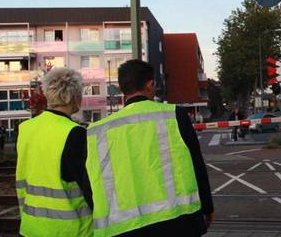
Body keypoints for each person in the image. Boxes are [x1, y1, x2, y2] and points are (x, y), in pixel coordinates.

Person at [85, 60, 214, 236]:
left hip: (123, 227)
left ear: (123, 88)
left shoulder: (97, 131)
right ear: (150, 84)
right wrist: (207, 207)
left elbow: (91, 183)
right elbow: (197, 164)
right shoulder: (174, 115)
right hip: (177, 222)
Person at [15, 67, 93, 236]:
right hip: (70, 230)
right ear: (72, 97)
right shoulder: (75, 133)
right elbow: (89, 187)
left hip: (31, 227)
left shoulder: (26, 129)